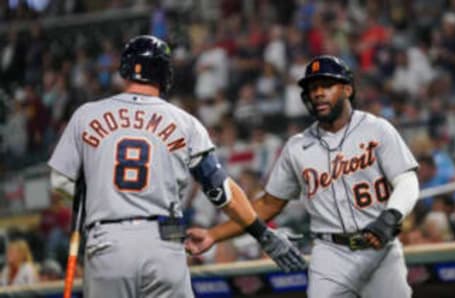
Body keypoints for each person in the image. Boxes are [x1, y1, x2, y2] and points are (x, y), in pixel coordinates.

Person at [48, 35, 306, 298]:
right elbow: (221, 192)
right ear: (165, 73)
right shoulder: (185, 122)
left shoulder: (86, 115)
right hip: (164, 243)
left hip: (108, 241)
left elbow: (59, 182)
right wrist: (263, 234)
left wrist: (104, 197)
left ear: (125, 71)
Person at [186, 55, 420, 298]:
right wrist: (214, 234)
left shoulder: (377, 129)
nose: (318, 93)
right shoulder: (297, 147)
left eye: (327, 86)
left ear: (347, 89)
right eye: (313, 88)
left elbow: (407, 180)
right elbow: (267, 206)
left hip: (380, 248)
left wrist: (392, 214)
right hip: (331, 253)